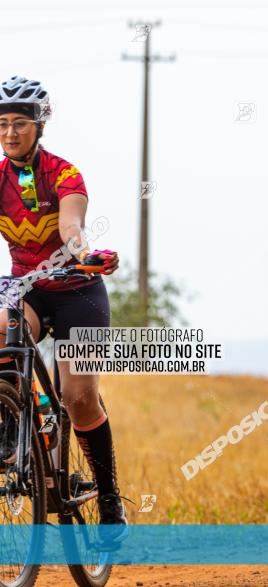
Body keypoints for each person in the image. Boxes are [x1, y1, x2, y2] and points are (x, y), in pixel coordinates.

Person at [0, 76, 127, 539]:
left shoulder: (64, 173)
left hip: (78, 291)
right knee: (1, 328)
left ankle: (110, 497)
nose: (10, 133)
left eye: (19, 123)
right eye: (2, 125)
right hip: (26, 288)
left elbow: (72, 226)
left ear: (39, 125)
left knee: (77, 397)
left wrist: (83, 253)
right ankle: (12, 417)